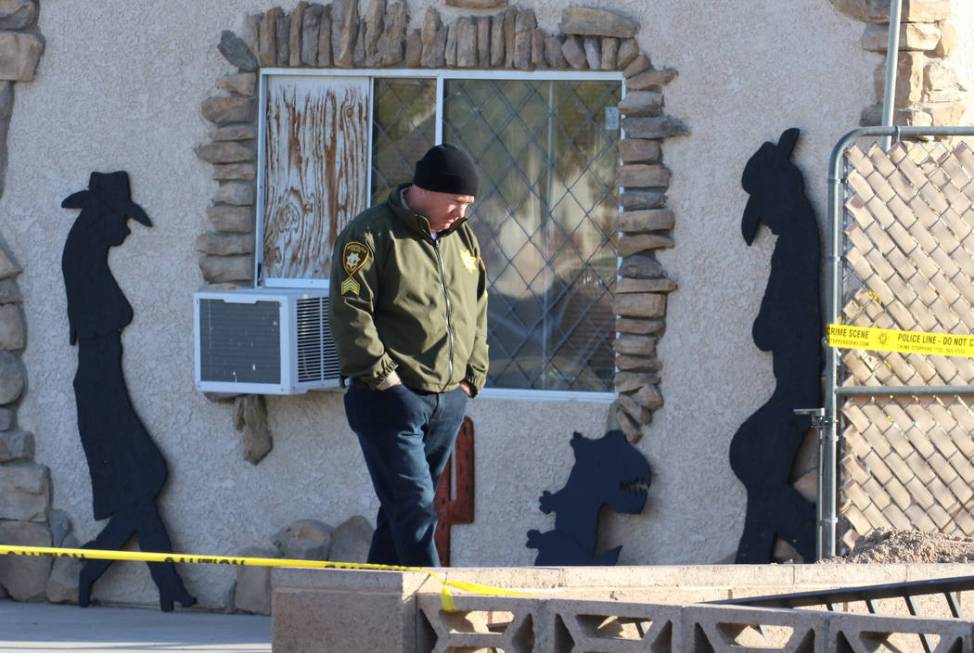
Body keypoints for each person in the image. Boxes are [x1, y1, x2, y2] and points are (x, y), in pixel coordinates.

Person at [329, 144, 489, 567]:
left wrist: (472, 375)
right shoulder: (369, 235)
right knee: (417, 510)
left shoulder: (463, 239)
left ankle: (376, 615)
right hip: (389, 399)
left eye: (468, 205)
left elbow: (478, 304)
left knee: (400, 512)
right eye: (456, 202)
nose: (462, 213)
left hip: (447, 399)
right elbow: (350, 311)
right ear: (426, 190)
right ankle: (437, 611)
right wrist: (384, 379)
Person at [61, 171, 196, 611]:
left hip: (104, 384)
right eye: (121, 218)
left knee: (142, 484)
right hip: (101, 389)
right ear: (102, 217)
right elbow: (104, 324)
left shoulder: (87, 257)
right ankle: (162, 583)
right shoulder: (84, 262)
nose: (125, 228)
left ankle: (117, 573)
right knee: (145, 479)